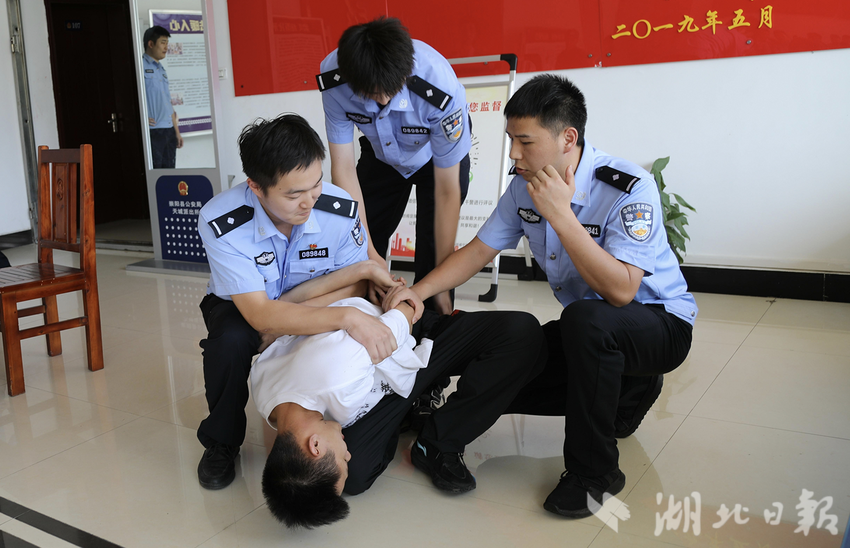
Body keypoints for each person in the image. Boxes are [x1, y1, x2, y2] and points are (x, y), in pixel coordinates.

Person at [384, 74, 698, 519]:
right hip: (593, 336)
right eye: (510, 139)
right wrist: (415, 293)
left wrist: (560, 214)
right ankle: (436, 439)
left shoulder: (627, 187)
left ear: (567, 138)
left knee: (586, 320)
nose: (514, 153)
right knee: (514, 358)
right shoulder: (523, 187)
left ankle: (594, 474)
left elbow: (621, 291)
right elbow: (478, 251)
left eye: (525, 141)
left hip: (658, 325)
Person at [196, 114, 405, 490]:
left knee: (353, 335)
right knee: (230, 341)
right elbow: (259, 313)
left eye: (316, 184)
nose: (309, 202)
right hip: (246, 303)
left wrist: (336, 313)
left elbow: (357, 284)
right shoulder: (221, 219)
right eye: (293, 195)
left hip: (322, 297)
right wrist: (341, 317)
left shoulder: (339, 208)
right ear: (256, 187)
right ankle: (222, 442)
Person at [252, 290, 547, 528]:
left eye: (342, 459)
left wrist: (401, 296)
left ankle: (439, 440)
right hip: (381, 375)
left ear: (315, 445)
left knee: (521, 332)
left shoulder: (341, 375)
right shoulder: (266, 397)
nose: (347, 455)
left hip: (410, 337)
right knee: (357, 476)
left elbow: (405, 310)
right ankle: (412, 406)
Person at [317, 17, 471, 315]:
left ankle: (433, 325)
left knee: (432, 253)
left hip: (435, 158)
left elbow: (447, 191)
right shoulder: (334, 80)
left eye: (391, 90)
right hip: (381, 153)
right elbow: (343, 169)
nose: (384, 100)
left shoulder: (438, 86)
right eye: (373, 95)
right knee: (358, 241)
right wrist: (371, 257)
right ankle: (369, 320)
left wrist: (440, 284)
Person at [143, 25, 183, 168]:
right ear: (151, 44)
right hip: (154, 131)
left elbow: (167, 102)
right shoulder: (140, 66)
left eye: (167, 43)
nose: (166, 47)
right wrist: (141, 118)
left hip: (169, 130)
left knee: (170, 174)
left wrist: (176, 131)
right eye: (163, 42)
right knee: (156, 173)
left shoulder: (161, 69)